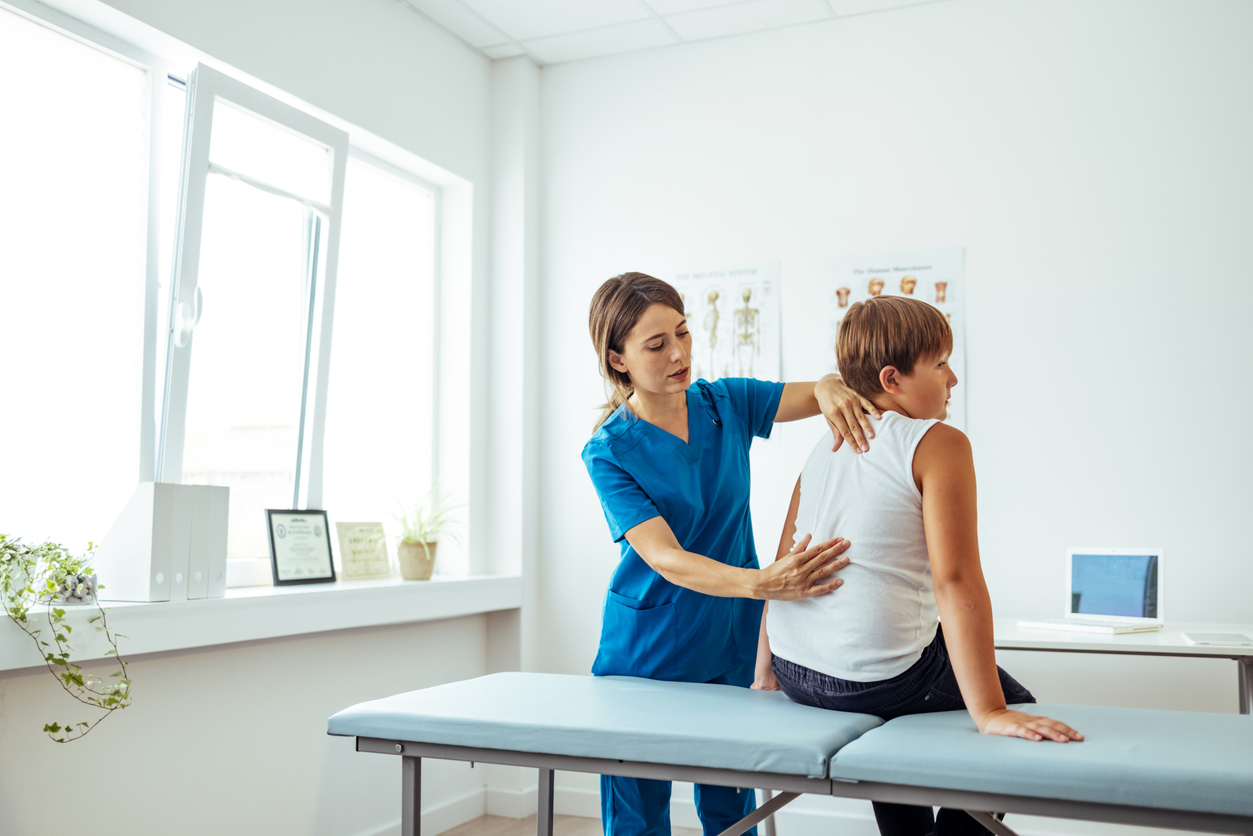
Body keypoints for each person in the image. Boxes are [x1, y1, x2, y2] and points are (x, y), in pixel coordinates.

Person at [756, 295, 1083, 836]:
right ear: (892, 379)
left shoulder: (825, 446)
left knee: (903, 702)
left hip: (795, 670)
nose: (953, 378)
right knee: (1013, 700)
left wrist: (766, 671)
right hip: (873, 679)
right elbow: (955, 582)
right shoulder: (939, 443)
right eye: (940, 364)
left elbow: (780, 565)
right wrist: (992, 714)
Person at [582, 272, 877, 836]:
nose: (679, 353)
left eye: (684, 333)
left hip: (729, 637)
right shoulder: (609, 452)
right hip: (646, 651)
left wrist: (831, 386)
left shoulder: (725, 404)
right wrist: (765, 583)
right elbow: (665, 557)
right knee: (637, 814)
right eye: (656, 344)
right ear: (618, 360)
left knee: (730, 808)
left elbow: (811, 392)